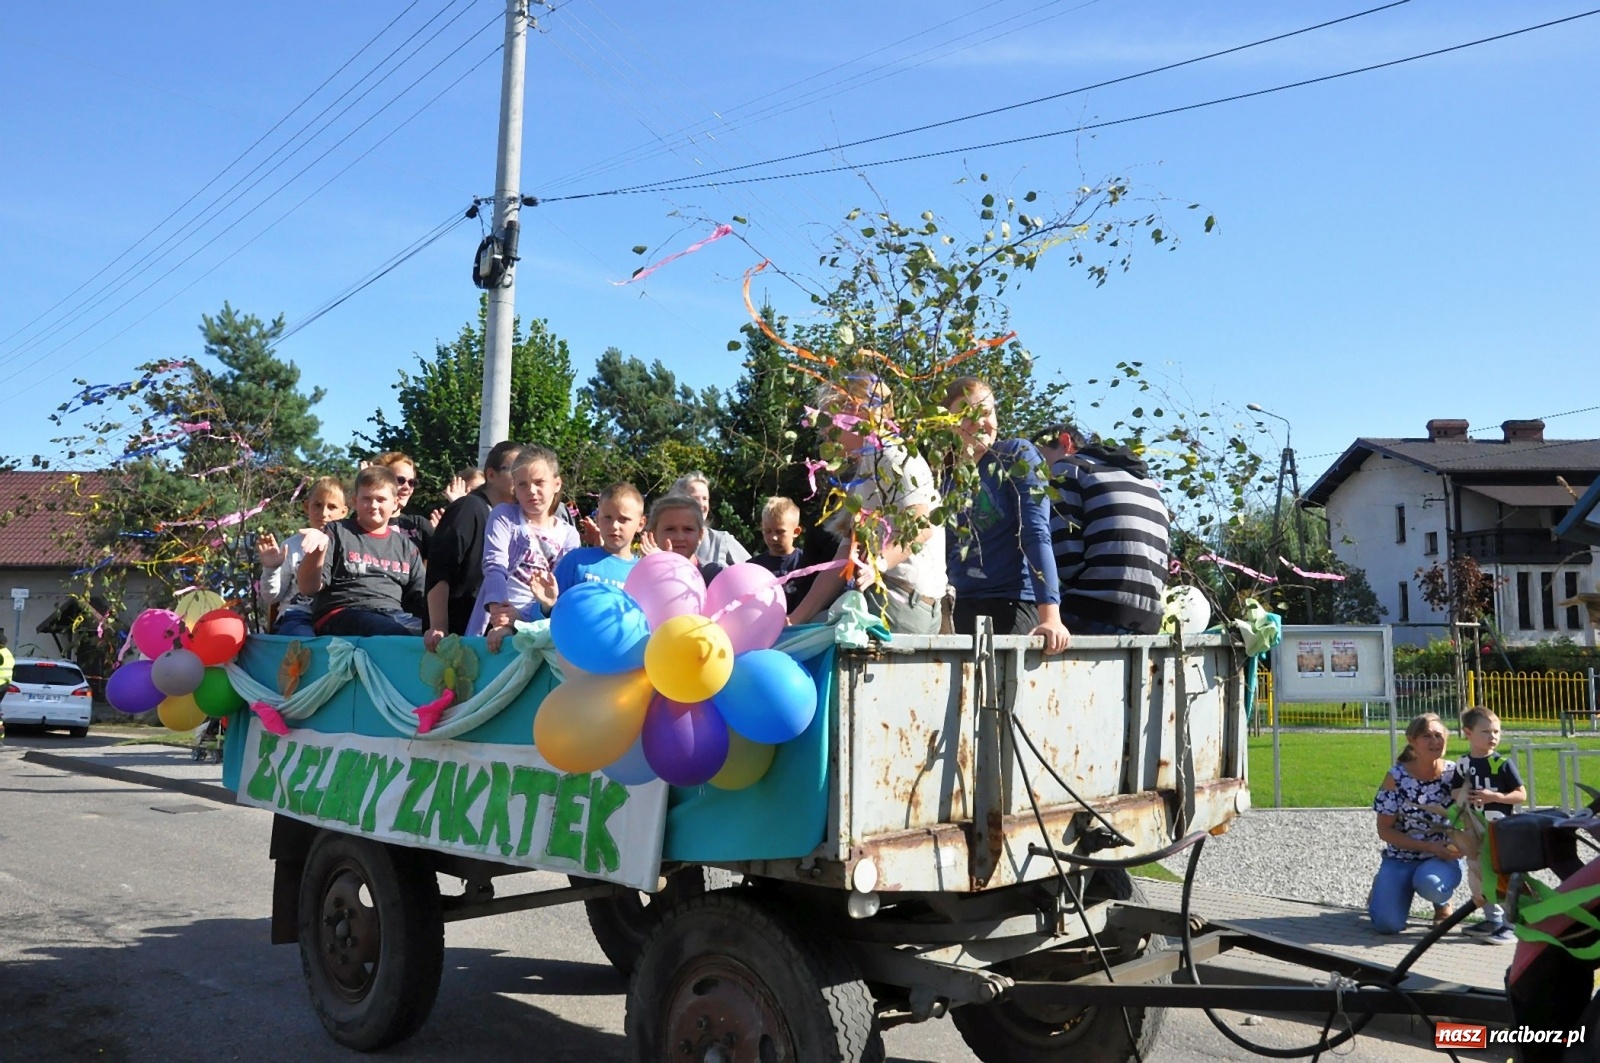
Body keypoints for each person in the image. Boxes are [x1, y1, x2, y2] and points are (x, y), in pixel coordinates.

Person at [787, 375, 947, 634]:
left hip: (898, 601)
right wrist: (795, 619)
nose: (823, 433)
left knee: (814, 641)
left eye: (828, 422)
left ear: (855, 413)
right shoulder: (865, 470)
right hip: (894, 598)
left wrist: (878, 564)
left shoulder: (894, 456)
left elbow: (924, 525)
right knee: (807, 631)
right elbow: (844, 559)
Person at [942, 378, 1069, 654]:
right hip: (962, 604)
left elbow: (1035, 532)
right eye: (966, 412)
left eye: (986, 412)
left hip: (1011, 603)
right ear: (947, 421)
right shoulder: (947, 479)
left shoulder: (1015, 454)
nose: (979, 421)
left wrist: (1050, 617)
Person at [1037, 421, 1171, 635]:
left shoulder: (1067, 468)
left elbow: (1066, 561)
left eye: (1041, 460)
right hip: (1149, 620)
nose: (1040, 475)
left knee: (1032, 612)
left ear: (1065, 442)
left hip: (1097, 612)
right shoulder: (1146, 483)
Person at [299, 465, 426, 636]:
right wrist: (316, 552)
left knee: (438, 637)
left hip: (392, 615)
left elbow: (422, 598)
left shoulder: (406, 547)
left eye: (381, 499)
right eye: (366, 498)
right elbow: (308, 588)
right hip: (342, 612)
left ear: (395, 503)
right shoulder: (336, 532)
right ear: (354, 501)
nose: (373, 505)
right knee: (392, 631)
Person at [469, 446, 580, 637]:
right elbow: (494, 565)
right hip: (500, 618)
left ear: (557, 484)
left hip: (542, 625)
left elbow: (562, 592)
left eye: (539, 483)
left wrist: (523, 618)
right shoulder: (504, 516)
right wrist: (500, 615)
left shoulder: (569, 534)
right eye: (522, 484)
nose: (531, 491)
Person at [1368, 713, 1463, 934]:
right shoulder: (1396, 777)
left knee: (1431, 884)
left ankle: (1442, 906)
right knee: (1387, 925)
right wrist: (1429, 847)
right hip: (1401, 857)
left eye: (1439, 735)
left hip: (1442, 858)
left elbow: (1471, 817)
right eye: (1426, 736)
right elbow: (1384, 830)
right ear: (1412, 740)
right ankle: (1382, 886)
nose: (1434, 741)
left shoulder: (1455, 774)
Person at [423, 442, 520, 647]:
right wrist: (439, 625)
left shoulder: (515, 521)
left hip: (494, 637)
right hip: (458, 637)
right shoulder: (469, 508)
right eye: (514, 470)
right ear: (491, 475)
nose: (521, 477)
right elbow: (440, 569)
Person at [1455, 706, 1526, 944]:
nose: (1492, 736)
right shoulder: (1463, 763)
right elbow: (1456, 790)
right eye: (1485, 731)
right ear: (1468, 733)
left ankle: (1511, 924)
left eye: (1496, 731)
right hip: (1475, 830)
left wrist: (1495, 797)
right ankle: (1492, 918)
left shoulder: (1502, 764)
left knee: (1501, 874)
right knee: (1477, 872)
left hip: (1500, 831)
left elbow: (1520, 794)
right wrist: (1463, 798)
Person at [257, 476, 348, 637]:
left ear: (344, 512)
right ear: (306, 507)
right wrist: (271, 569)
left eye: (332, 507)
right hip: (297, 617)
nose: (324, 513)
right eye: (317, 505)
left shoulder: (348, 545)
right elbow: (271, 598)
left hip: (335, 616)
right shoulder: (291, 546)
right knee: (306, 643)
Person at [554, 483, 646, 593]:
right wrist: (546, 606)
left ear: (641, 524)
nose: (614, 526)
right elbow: (549, 605)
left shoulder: (643, 574)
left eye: (623, 519)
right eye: (607, 518)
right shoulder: (576, 560)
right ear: (597, 519)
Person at [672, 471, 751, 570]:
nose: (701, 504)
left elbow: (752, 572)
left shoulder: (721, 540)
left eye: (705, 499)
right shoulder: (664, 539)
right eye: (695, 498)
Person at [753, 496, 815, 611]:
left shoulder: (805, 564)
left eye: (780, 532)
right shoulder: (754, 567)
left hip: (796, 625)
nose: (773, 537)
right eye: (768, 531)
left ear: (796, 532)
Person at [644, 495, 724, 583]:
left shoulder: (713, 575)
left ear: (700, 535)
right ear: (653, 534)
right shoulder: (642, 575)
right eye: (670, 529)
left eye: (688, 529)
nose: (680, 537)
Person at [372, 451, 435, 562]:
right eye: (400, 480)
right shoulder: (364, 519)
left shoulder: (418, 524)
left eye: (412, 482)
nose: (407, 487)